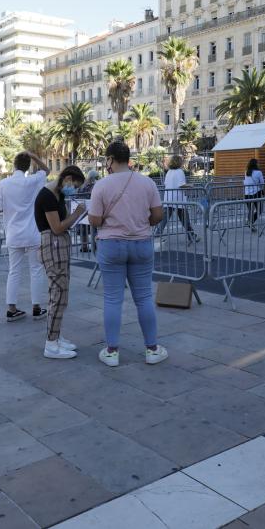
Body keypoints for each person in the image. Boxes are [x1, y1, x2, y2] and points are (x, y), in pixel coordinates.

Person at [89, 141, 167, 367]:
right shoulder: (146, 182)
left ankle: (112, 352)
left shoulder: (101, 185)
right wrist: (143, 223)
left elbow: (94, 220)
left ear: (110, 159)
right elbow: (158, 215)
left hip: (111, 245)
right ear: (128, 158)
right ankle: (152, 349)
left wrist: (107, 221)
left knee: (113, 298)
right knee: (143, 298)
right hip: (141, 243)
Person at [35, 166, 87, 359]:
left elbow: (63, 222)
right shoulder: (47, 196)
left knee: (62, 293)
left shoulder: (58, 194)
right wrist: (77, 214)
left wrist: (74, 216)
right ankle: (50, 343)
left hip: (60, 244)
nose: (74, 189)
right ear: (67, 178)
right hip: (53, 243)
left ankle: (55, 336)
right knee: (57, 293)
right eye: (74, 184)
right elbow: (57, 227)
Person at [0, 151, 49, 322]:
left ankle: (11, 309)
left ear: (14, 165)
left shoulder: (3, 184)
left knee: (14, 271)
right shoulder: (32, 181)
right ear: (28, 166)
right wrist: (34, 156)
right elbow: (46, 170)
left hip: (13, 233)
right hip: (32, 232)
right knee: (36, 270)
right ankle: (37, 307)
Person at [154, 155, 198, 244]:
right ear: (179, 162)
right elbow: (181, 185)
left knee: (165, 219)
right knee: (185, 219)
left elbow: (167, 184)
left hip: (169, 199)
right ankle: (191, 236)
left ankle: (156, 235)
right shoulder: (179, 171)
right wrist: (191, 185)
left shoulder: (169, 172)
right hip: (179, 199)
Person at [243, 159, 264, 231]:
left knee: (250, 210)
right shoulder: (259, 172)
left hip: (247, 193)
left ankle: (250, 222)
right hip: (256, 193)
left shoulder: (246, 172)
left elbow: (245, 182)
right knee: (259, 209)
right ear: (255, 164)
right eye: (258, 163)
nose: (259, 164)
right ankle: (251, 222)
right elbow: (262, 183)